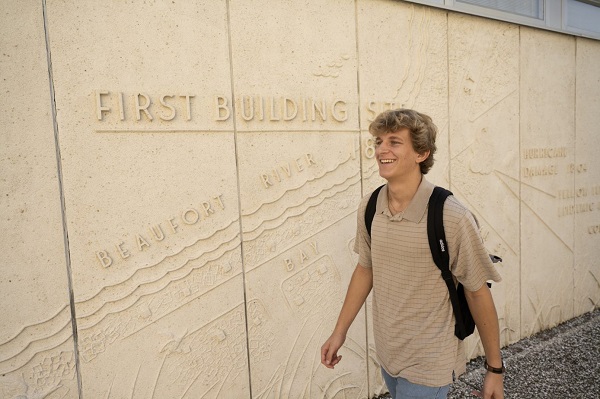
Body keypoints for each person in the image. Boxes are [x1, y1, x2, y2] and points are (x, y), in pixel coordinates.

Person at [320, 109, 504, 399]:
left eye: (394, 142)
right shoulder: (370, 207)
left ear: (422, 153)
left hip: (430, 361)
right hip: (388, 355)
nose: (381, 149)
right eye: (378, 141)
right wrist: (339, 332)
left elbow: (477, 292)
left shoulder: (452, 216)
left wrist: (495, 370)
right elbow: (365, 269)